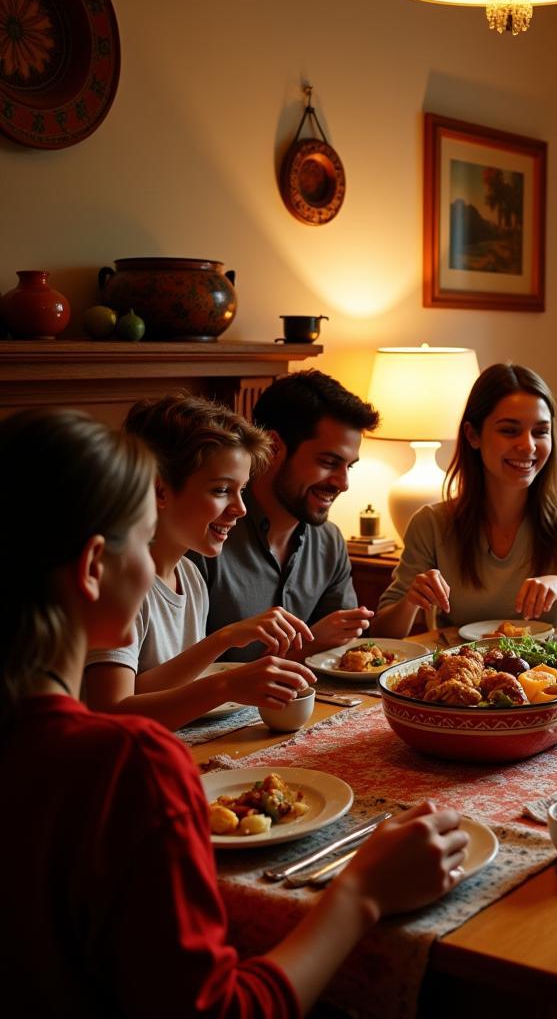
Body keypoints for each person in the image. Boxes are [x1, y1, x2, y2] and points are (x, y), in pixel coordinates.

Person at [0, 408, 469, 1017]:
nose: (154, 565)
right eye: (145, 540)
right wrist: (361, 892)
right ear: (93, 567)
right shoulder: (127, 765)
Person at [85, 395, 317, 730]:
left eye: (242, 491)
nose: (241, 508)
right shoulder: (115, 579)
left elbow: (142, 689)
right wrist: (226, 685)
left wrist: (223, 639)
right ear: (160, 491)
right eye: (222, 490)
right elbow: (110, 714)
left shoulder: (189, 575)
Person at [370, 363, 557, 636]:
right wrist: (411, 601)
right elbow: (383, 633)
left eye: (540, 432)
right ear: (473, 435)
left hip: (546, 674)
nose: (528, 445)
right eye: (509, 430)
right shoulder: (430, 523)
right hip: (461, 673)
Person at [191, 370, 379, 661]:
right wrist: (307, 647)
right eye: (329, 462)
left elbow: (341, 660)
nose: (343, 483)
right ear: (273, 447)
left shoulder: (328, 541)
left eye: (349, 467)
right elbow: (179, 675)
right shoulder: (204, 536)